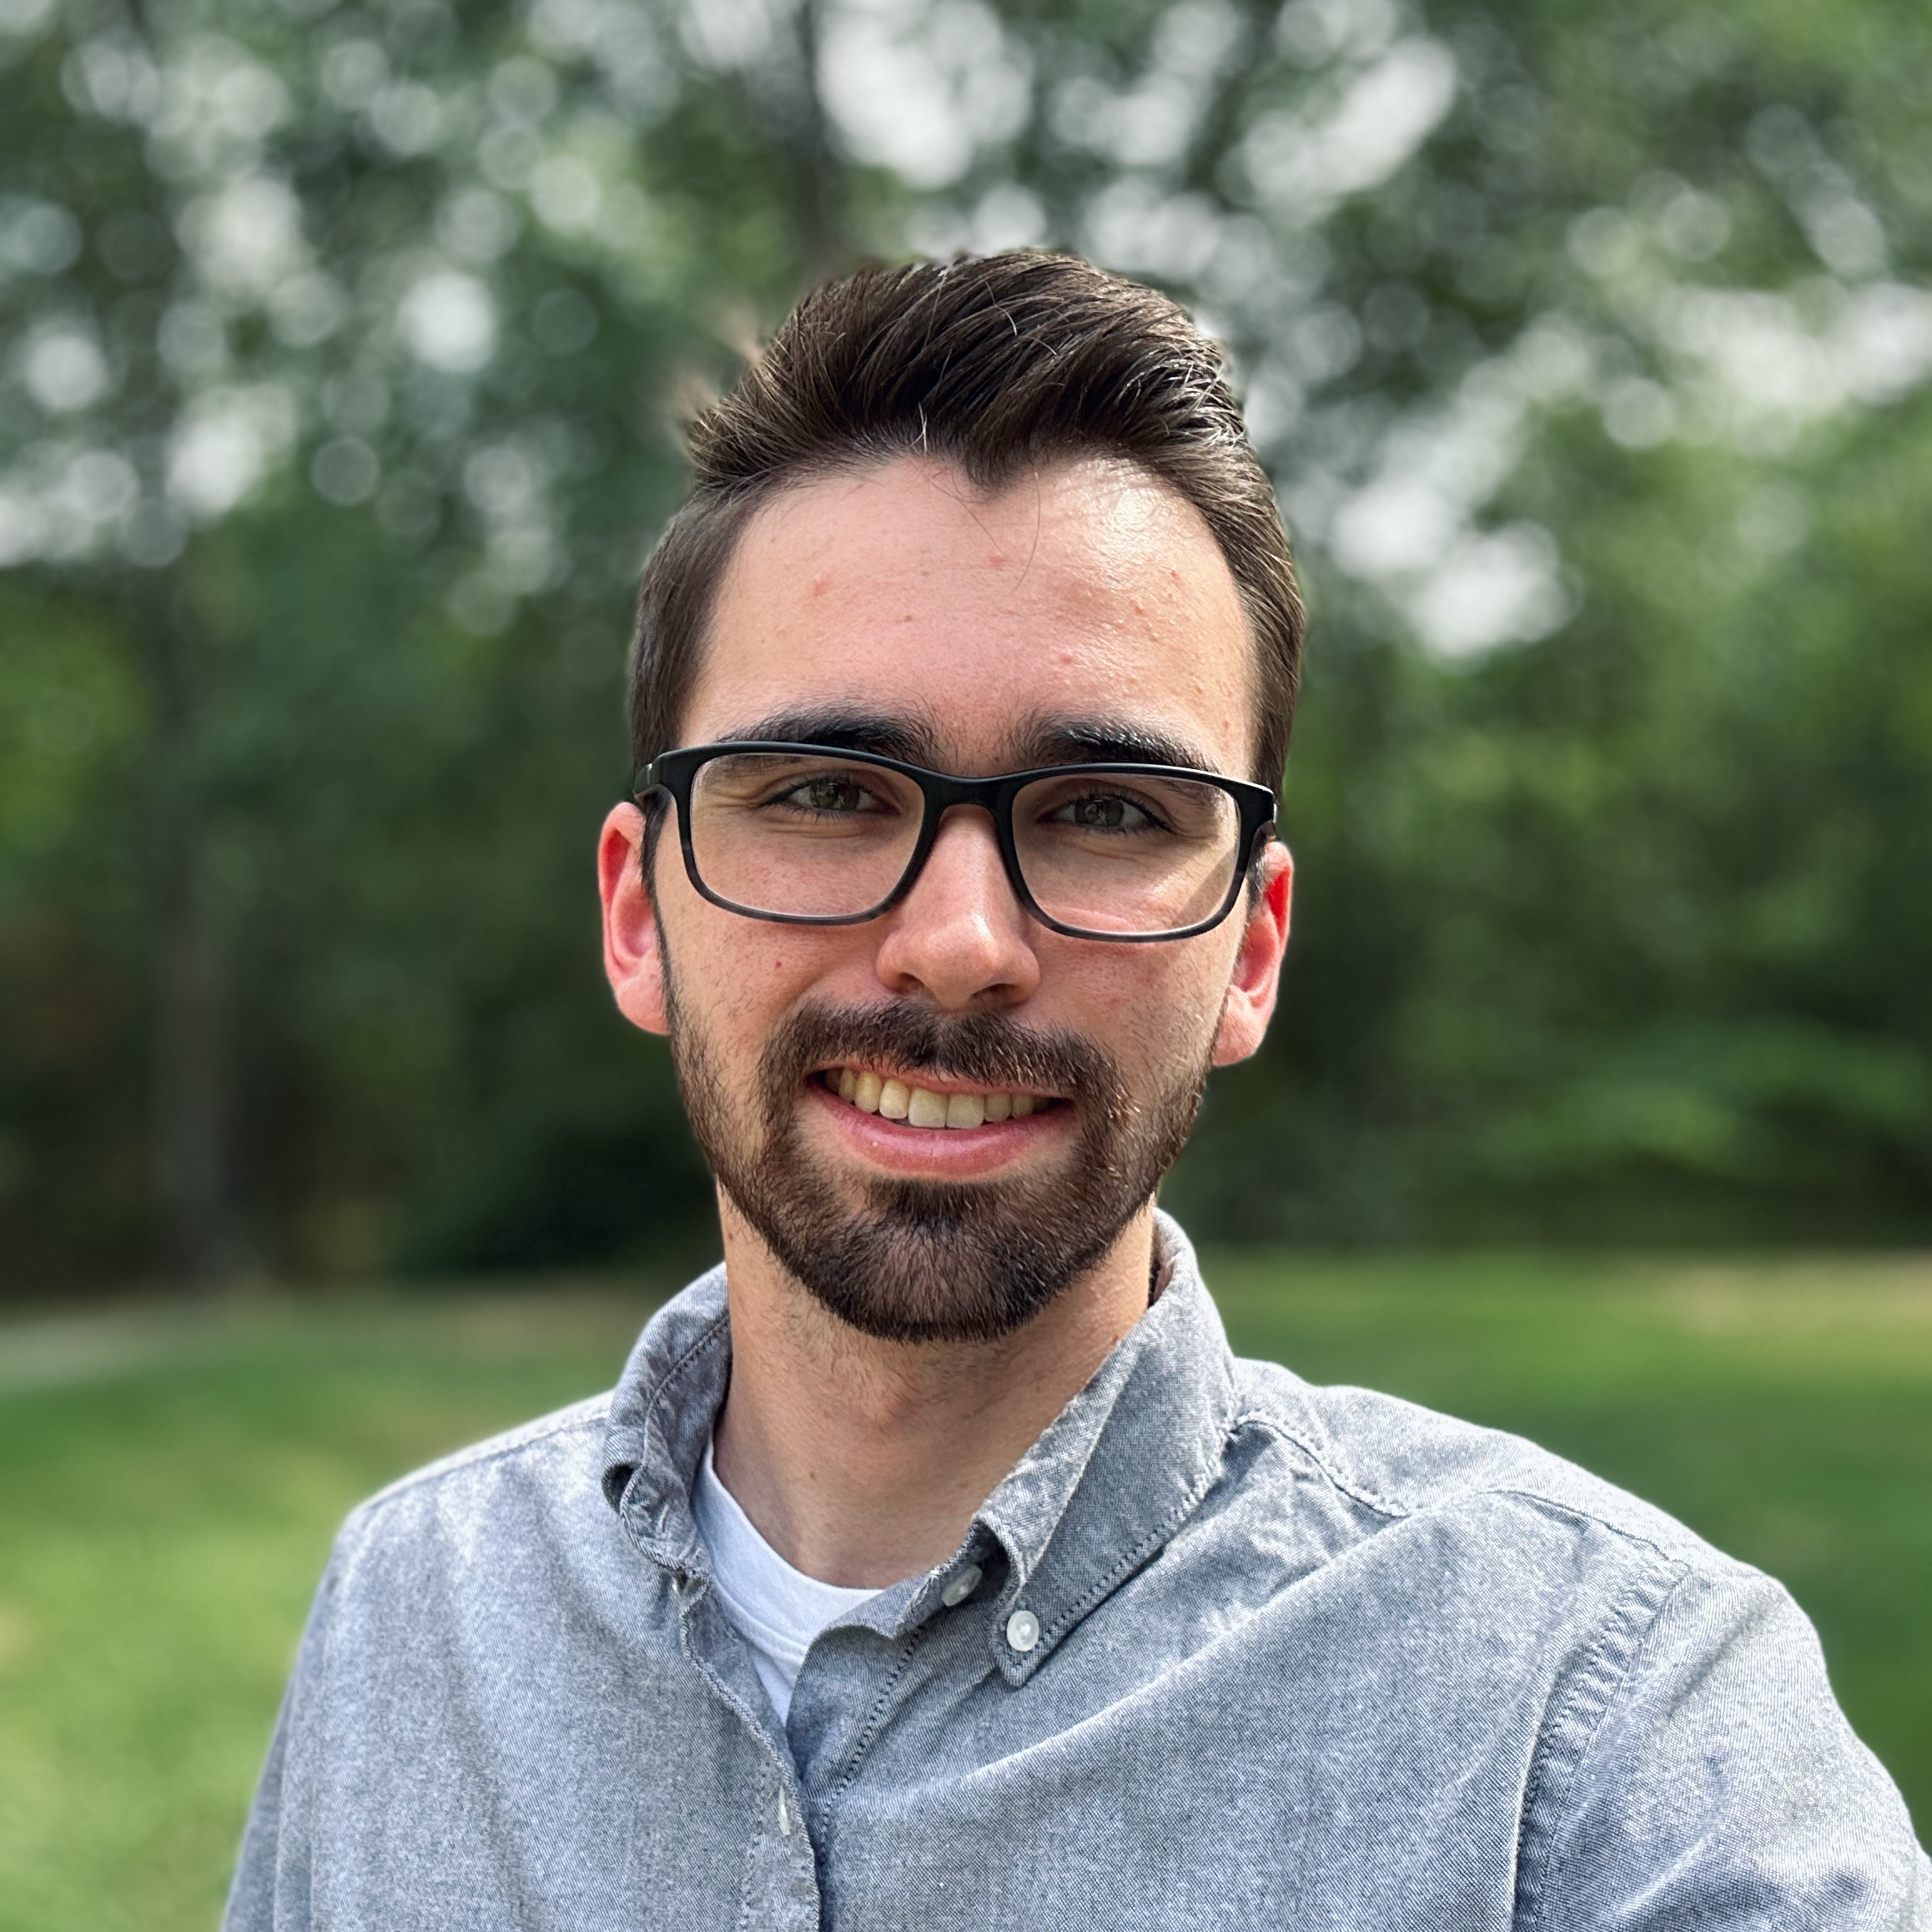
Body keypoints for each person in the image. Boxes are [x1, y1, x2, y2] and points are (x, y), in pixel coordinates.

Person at [224, 251, 1929, 1929]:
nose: (958, 943)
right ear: (636, 912)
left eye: (1107, 809)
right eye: (825, 791)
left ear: (1250, 947)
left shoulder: (1605, 1727)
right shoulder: (410, 1615)